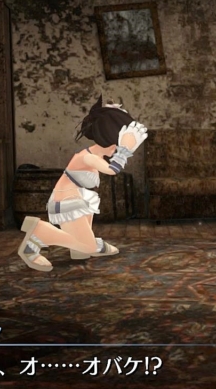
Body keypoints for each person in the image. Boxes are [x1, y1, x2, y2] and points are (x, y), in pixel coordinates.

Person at [17, 96, 148, 271]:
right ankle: (37, 234)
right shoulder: (88, 157)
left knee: (83, 238)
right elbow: (113, 170)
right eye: (118, 144)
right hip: (67, 202)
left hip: (80, 199)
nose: (117, 149)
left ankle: (80, 248)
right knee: (88, 246)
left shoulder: (96, 154)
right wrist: (124, 150)